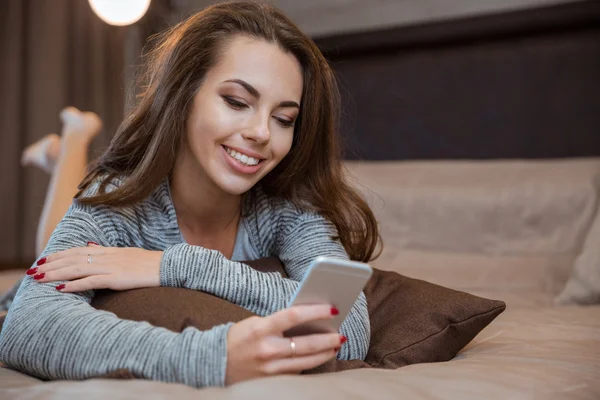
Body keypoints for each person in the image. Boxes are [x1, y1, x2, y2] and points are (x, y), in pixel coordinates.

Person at [0, 0, 381, 388]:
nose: (262, 133)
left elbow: (346, 323)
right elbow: (27, 325)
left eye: (283, 119)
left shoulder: (290, 210)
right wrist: (212, 358)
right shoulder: (121, 198)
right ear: (183, 95)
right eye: (236, 101)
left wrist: (172, 267)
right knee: (48, 239)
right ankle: (71, 144)